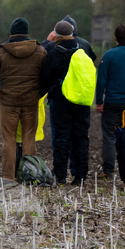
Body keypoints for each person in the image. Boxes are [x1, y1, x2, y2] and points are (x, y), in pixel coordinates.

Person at [0, 17, 47, 181]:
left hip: (9, 102)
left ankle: (8, 177)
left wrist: (0, 96)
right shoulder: (40, 52)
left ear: (11, 32)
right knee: (29, 139)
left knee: (9, 140)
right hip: (31, 102)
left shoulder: (0, 53)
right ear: (27, 33)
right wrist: (38, 94)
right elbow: (45, 78)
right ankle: (29, 175)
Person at [42, 20, 93, 184]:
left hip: (60, 100)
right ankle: (80, 176)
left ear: (56, 35)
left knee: (62, 138)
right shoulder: (83, 48)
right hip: (82, 100)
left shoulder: (53, 50)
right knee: (81, 137)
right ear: (72, 34)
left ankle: (61, 176)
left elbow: (45, 77)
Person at [97, 25, 125, 180]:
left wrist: (99, 101)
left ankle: (108, 169)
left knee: (109, 136)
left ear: (115, 38)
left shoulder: (108, 55)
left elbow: (101, 80)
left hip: (112, 103)